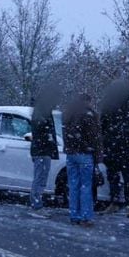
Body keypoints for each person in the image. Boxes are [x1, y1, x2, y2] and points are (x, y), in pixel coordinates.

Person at [100, 80, 129, 207]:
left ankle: (117, 202)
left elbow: (102, 126)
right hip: (124, 147)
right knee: (127, 177)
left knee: (115, 176)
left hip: (114, 147)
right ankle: (128, 204)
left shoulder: (109, 105)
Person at [62, 91, 103, 226]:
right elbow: (94, 137)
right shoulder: (89, 115)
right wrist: (96, 154)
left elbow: (68, 133)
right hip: (85, 154)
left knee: (73, 185)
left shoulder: (69, 114)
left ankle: (74, 215)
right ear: (88, 102)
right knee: (86, 186)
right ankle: (86, 216)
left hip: (71, 153)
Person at [28, 81, 62, 212]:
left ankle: (37, 203)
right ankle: (36, 205)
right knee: (40, 177)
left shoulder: (42, 111)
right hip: (42, 150)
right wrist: (47, 135)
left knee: (41, 177)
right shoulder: (41, 112)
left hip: (42, 149)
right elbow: (40, 128)